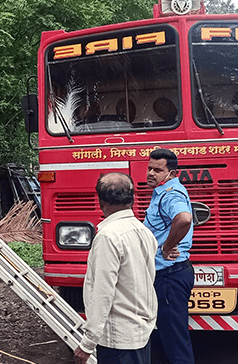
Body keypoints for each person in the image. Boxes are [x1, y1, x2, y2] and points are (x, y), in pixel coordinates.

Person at [73, 172, 158, 364]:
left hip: (118, 339)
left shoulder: (108, 237)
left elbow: (103, 293)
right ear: (133, 199)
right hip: (140, 333)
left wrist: (87, 343)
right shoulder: (144, 231)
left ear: (101, 202)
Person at [144, 148, 194, 364]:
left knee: (175, 343)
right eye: (149, 168)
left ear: (173, 173)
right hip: (166, 274)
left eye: (158, 170)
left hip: (169, 276)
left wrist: (167, 247)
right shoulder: (162, 192)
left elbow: (183, 219)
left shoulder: (171, 193)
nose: (151, 173)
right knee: (167, 337)